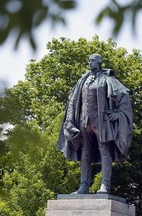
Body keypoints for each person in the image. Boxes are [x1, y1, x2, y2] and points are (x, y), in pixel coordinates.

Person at [57, 53, 133, 194]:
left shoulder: (107, 80)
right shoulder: (82, 81)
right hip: (84, 121)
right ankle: (83, 186)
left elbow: (124, 96)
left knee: (105, 150)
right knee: (85, 152)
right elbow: (73, 101)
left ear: (99, 62)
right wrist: (70, 120)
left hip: (101, 121)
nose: (90, 62)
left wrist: (119, 113)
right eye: (89, 60)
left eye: (93, 60)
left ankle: (105, 186)